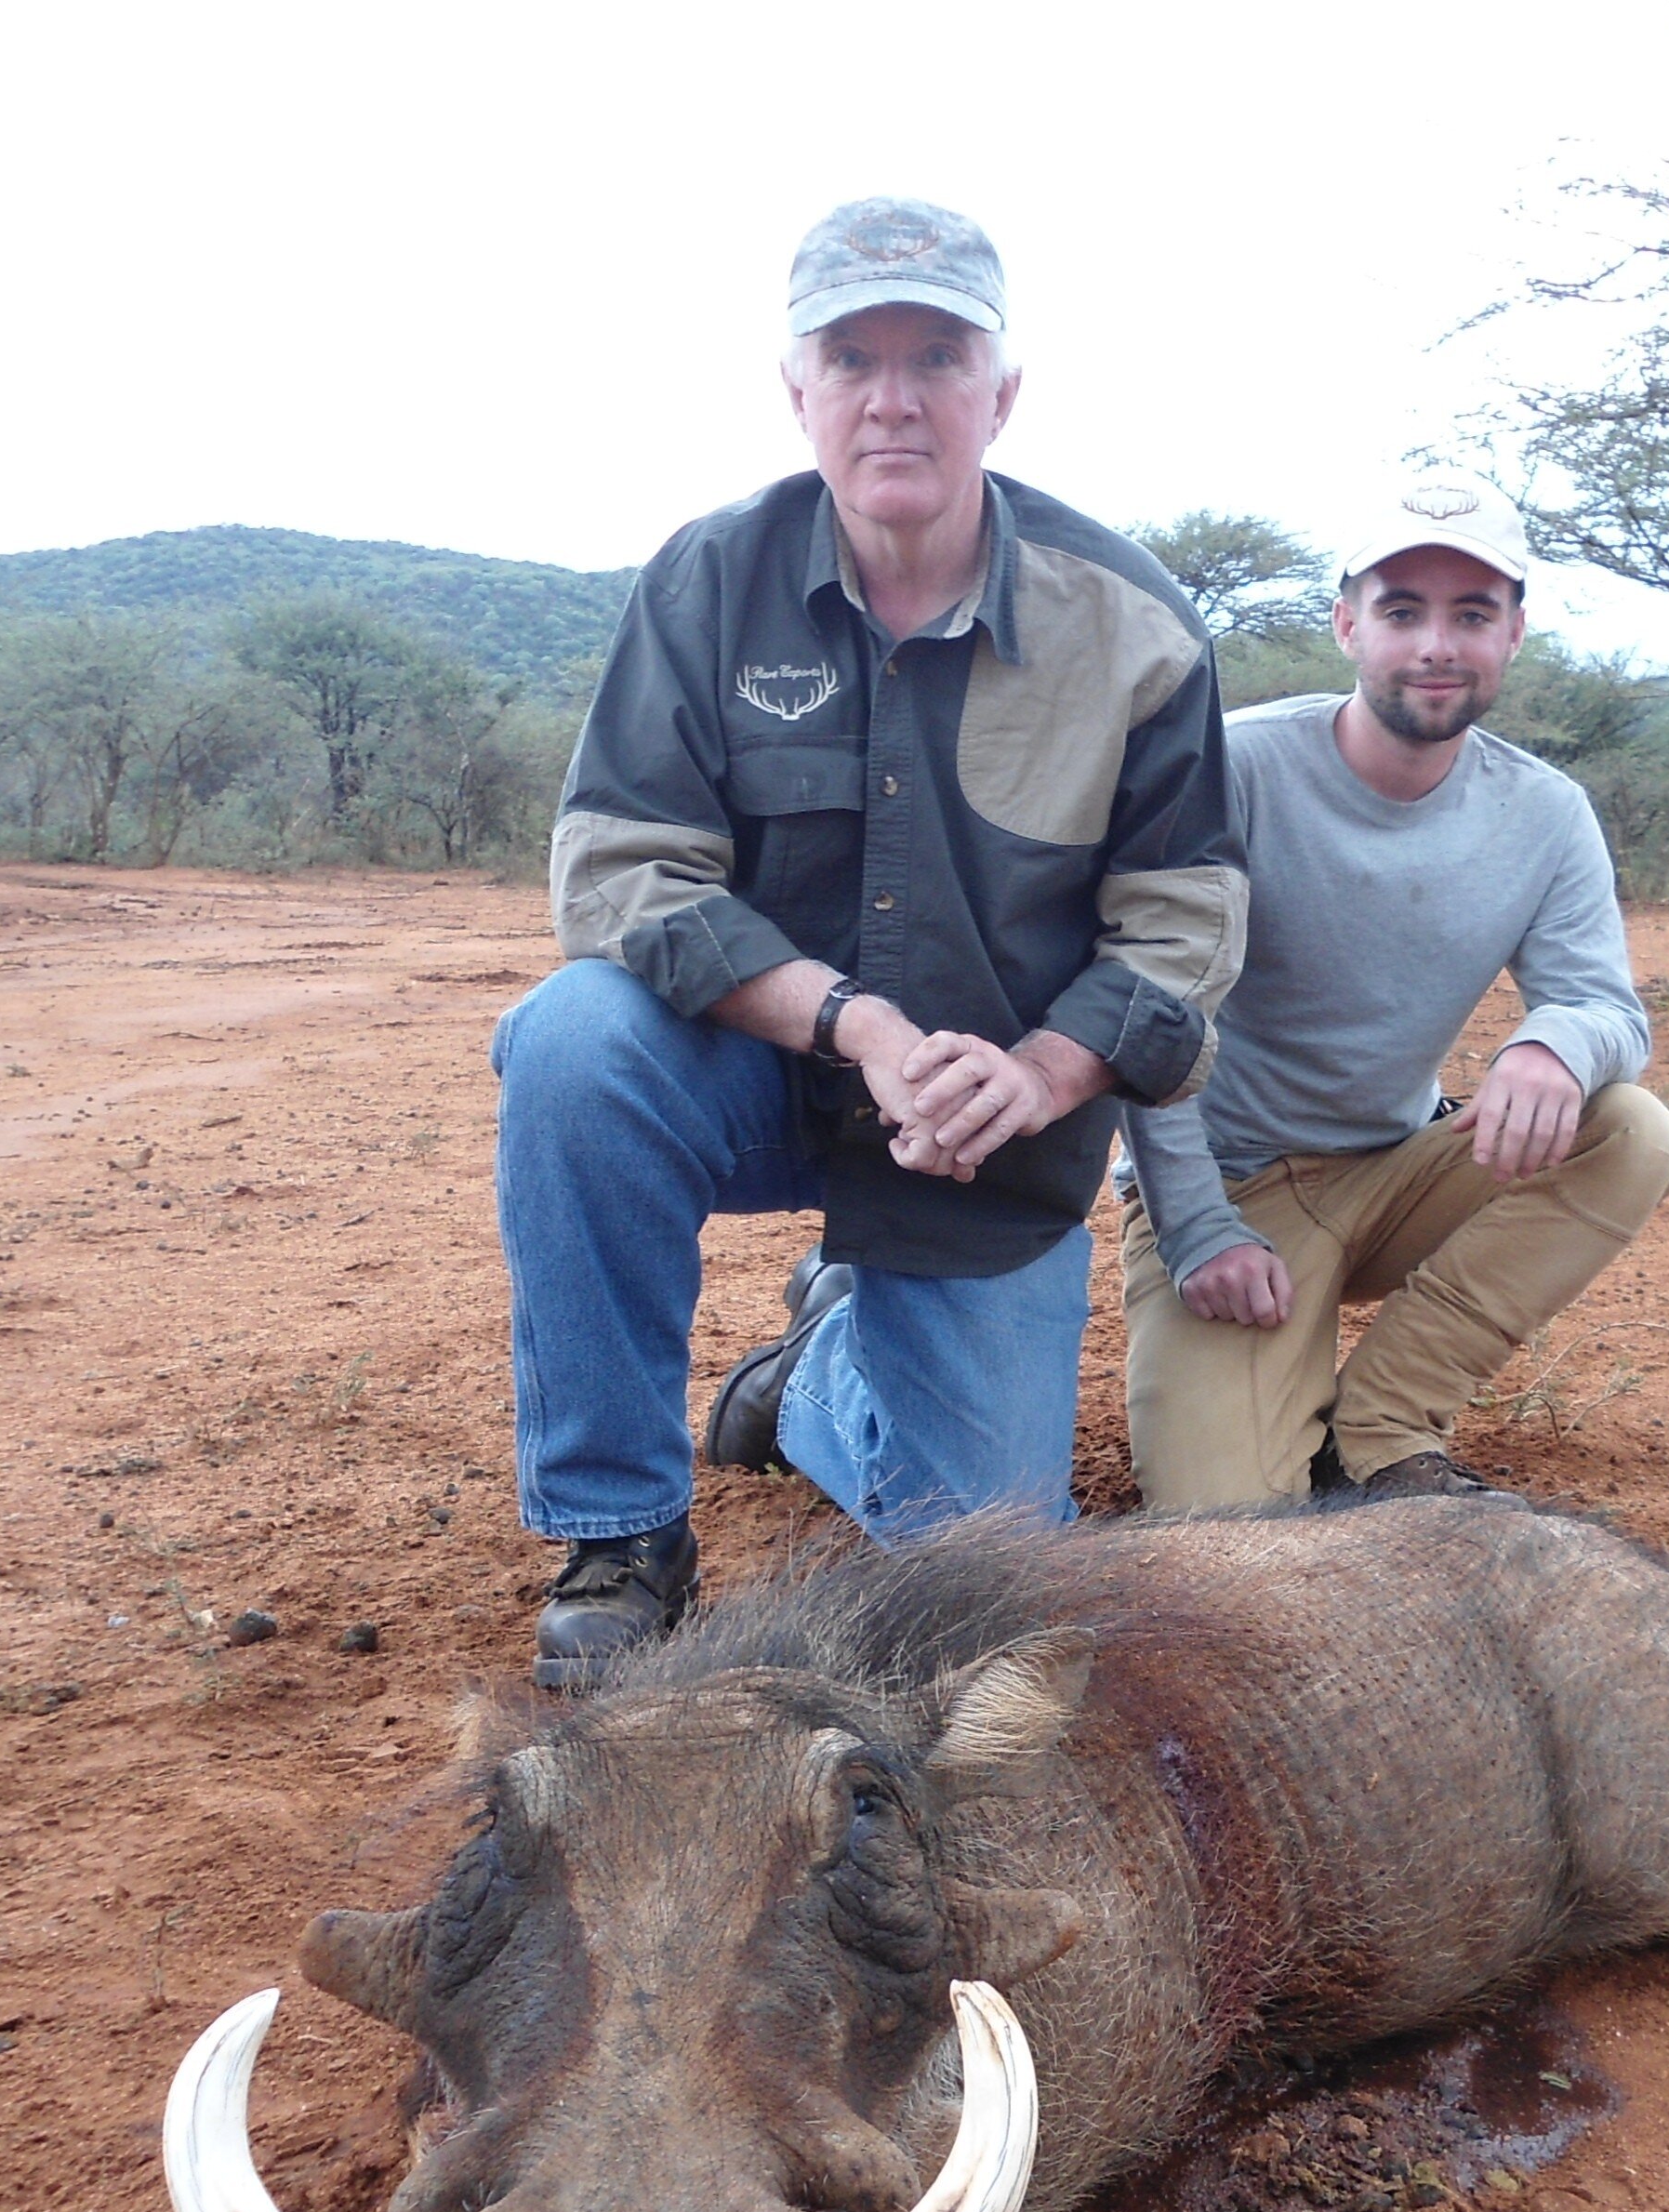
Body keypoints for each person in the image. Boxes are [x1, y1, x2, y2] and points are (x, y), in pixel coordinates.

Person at [494, 197, 1242, 1688]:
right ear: (799, 390)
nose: (893, 397)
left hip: (989, 1128)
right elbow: (618, 866)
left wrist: (1034, 1075)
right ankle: (622, 1531)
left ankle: (821, 1374)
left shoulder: (1136, 625)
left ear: (1001, 393)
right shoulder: (707, 581)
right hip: (760, 1074)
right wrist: (859, 1027)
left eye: (937, 355)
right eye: (852, 357)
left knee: (985, 1577)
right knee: (574, 1041)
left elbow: (1186, 922)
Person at [1116, 472, 1669, 1509]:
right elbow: (1143, 1011)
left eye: (1471, 614)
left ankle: (1378, 1429)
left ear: (1513, 633)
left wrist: (1548, 1043)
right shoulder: (1231, 769)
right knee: (1229, 1536)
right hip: (1231, 1192)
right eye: (1401, 611)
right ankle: (818, 1370)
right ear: (1345, 625)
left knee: (1630, 1130)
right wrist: (1195, 1225)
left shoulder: (1546, 813)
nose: (1436, 646)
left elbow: (1607, 1008)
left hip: (1396, 1168)